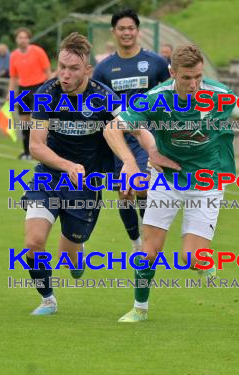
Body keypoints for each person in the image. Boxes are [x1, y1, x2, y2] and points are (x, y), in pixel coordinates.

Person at [103, 44, 239, 322]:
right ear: (172, 73)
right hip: (168, 178)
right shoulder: (156, 98)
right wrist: (129, 161)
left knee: (190, 258)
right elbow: (112, 128)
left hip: (208, 180)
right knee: (149, 249)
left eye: (198, 76)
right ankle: (139, 308)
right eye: (187, 78)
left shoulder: (219, 96)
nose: (194, 84)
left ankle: (203, 261)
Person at [21, 32, 122, 315]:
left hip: (86, 185)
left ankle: (77, 254)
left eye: (73, 69)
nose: (65, 74)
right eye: (61, 67)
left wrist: (133, 166)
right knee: (33, 241)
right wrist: (66, 165)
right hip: (50, 174)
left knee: (70, 259)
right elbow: (36, 146)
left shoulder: (104, 98)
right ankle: (48, 300)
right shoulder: (46, 93)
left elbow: (131, 132)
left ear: (87, 70)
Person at [93, 9, 171, 254]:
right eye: (121, 29)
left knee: (142, 187)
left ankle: (147, 243)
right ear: (114, 32)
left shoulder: (156, 63)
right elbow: (97, 105)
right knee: (124, 194)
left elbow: (169, 95)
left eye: (130, 28)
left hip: (146, 135)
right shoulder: (104, 68)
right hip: (118, 138)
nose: (126, 32)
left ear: (138, 31)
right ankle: (135, 239)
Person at [8, 27, 52, 160]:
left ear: (29, 39)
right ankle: (26, 152)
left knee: (38, 121)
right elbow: (13, 78)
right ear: (16, 40)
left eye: (25, 37)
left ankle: (42, 150)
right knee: (24, 122)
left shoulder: (38, 52)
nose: (23, 40)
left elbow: (47, 71)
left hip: (38, 88)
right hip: (23, 90)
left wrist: (51, 89)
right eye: (20, 37)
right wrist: (10, 95)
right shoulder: (14, 56)